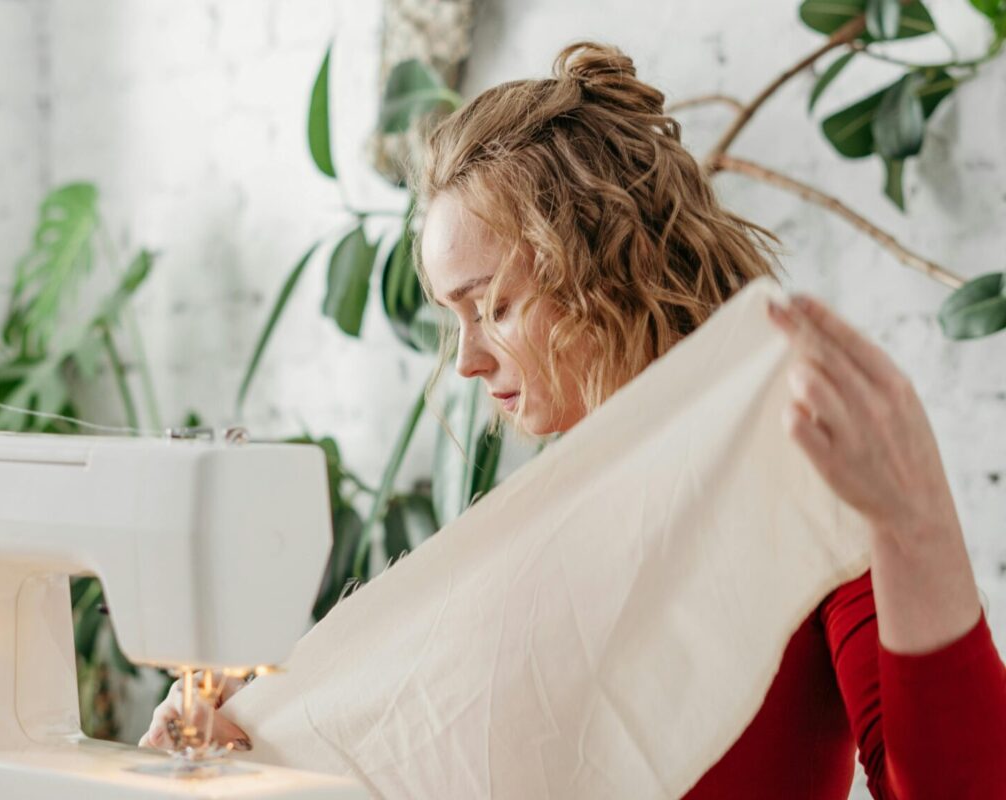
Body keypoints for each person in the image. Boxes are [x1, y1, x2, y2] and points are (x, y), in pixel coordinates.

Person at [143, 41, 1006, 798]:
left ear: (602, 268)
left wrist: (915, 522)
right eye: (455, 318)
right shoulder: (530, 536)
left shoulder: (792, 475)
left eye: (494, 306)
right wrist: (259, 753)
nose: (469, 360)